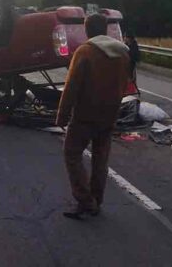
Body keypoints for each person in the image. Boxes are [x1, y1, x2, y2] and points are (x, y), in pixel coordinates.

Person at [56, 13, 131, 220]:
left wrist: (61, 117)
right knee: (100, 158)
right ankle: (96, 200)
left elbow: (71, 87)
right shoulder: (122, 54)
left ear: (87, 30)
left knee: (72, 154)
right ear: (105, 29)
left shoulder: (85, 52)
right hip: (109, 115)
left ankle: (85, 200)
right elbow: (125, 84)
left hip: (85, 115)